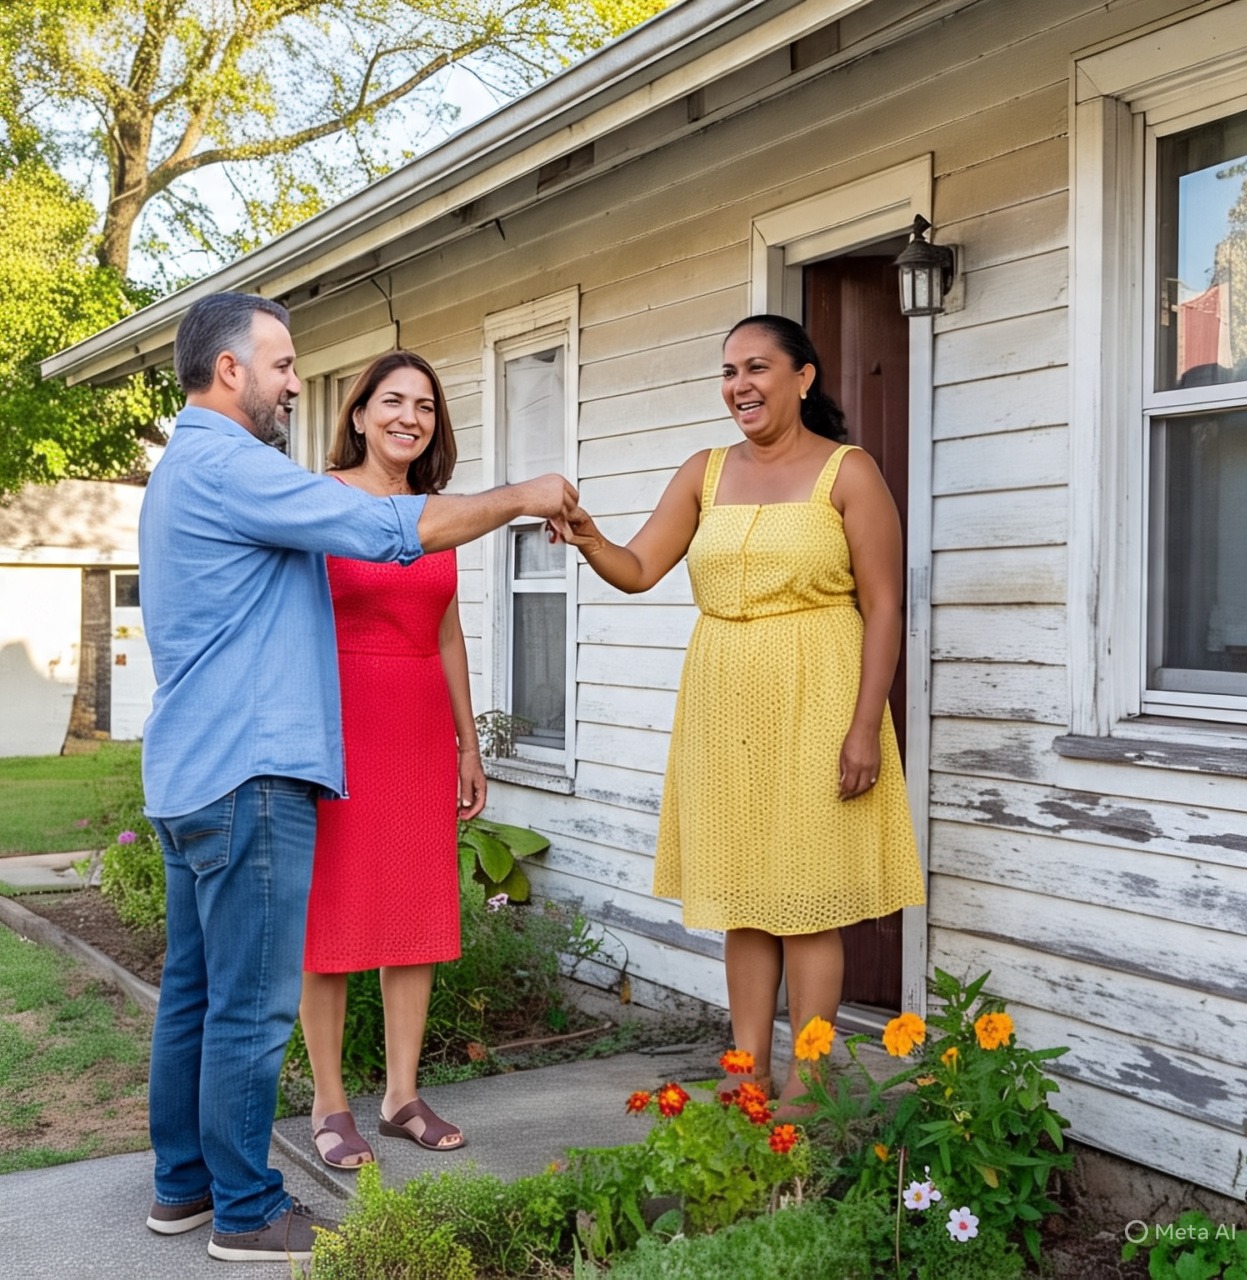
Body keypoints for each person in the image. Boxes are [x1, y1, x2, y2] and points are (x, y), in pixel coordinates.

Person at [139, 293, 575, 1263]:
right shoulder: (235, 465)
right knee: (248, 1004)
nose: (297, 381)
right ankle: (247, 1208)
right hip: (250, 769)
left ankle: (183, 1185)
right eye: (283, 363)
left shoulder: (181, 468)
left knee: (198, 994)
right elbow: (381, 531)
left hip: (188, 769)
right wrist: (517, 495)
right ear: (228, 372)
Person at [553, 314, 925, 1117]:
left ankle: (812, 1074)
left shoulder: (848, 473)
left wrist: (865, 726)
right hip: (725, 696)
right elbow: (640, 566)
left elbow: (887, 608)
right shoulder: (704, 471)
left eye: (757, 367)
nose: (739, 386)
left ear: (803, 377)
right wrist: (589, 539)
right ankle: (745, 1065)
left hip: (820, 691)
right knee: (744, 889)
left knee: (809, 893)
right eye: (728, 372)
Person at [299, 352, 481, 1169]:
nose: (411, 417)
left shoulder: (434, 512)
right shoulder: (321, 497)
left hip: (416, 725)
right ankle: (328, 1101)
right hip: (340, 717)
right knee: (332, 918)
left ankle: (401, 1094)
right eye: (394, 401)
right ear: (361, 412)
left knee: (414, 913)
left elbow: (445, 627)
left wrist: (467, 740)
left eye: (427, 407)